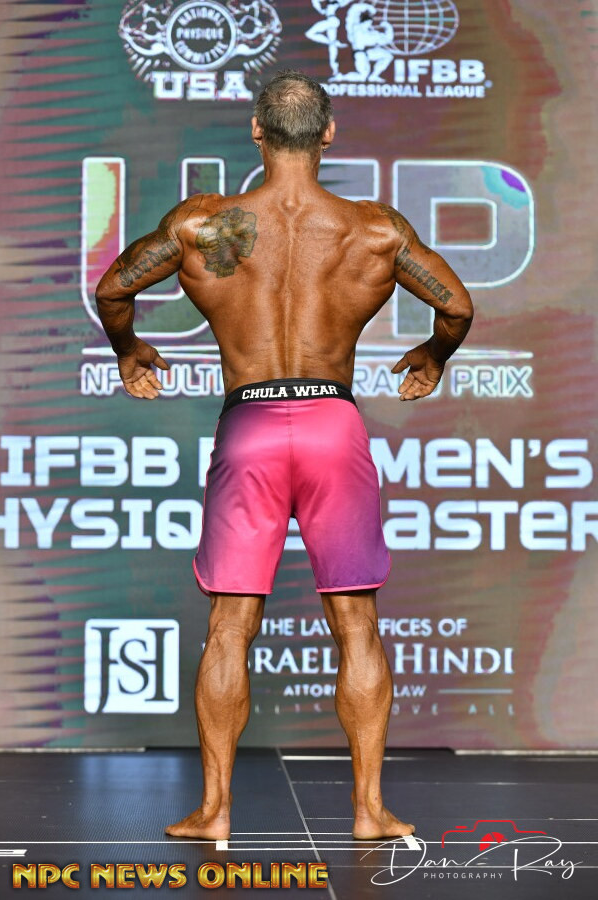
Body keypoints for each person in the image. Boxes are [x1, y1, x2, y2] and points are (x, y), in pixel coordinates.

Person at [95, 70, 474, 842]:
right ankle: (368, 811)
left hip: (252, 427)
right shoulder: (373, 231)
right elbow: (457, 305)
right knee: (357, 623)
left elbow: (112, 289)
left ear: (257, 132)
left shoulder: (208, 225)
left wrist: (131, 350)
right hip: (333, 426)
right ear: (328, 134)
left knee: (230, 625)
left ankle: (215, 810)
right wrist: (433, 356)